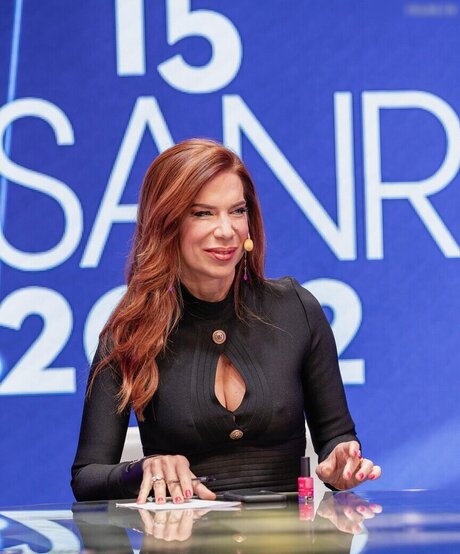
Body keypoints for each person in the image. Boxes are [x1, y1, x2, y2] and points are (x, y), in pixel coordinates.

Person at [71, 138, 381, 503]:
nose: (226, 230)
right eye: (203, 213)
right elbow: (86, 477)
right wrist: (143, 469)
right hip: (183, 532)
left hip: (287, 532)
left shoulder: (296, 309)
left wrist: (342, 462)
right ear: (167, 224)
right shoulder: (130, 333)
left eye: (237, 211)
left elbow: (336, 438)